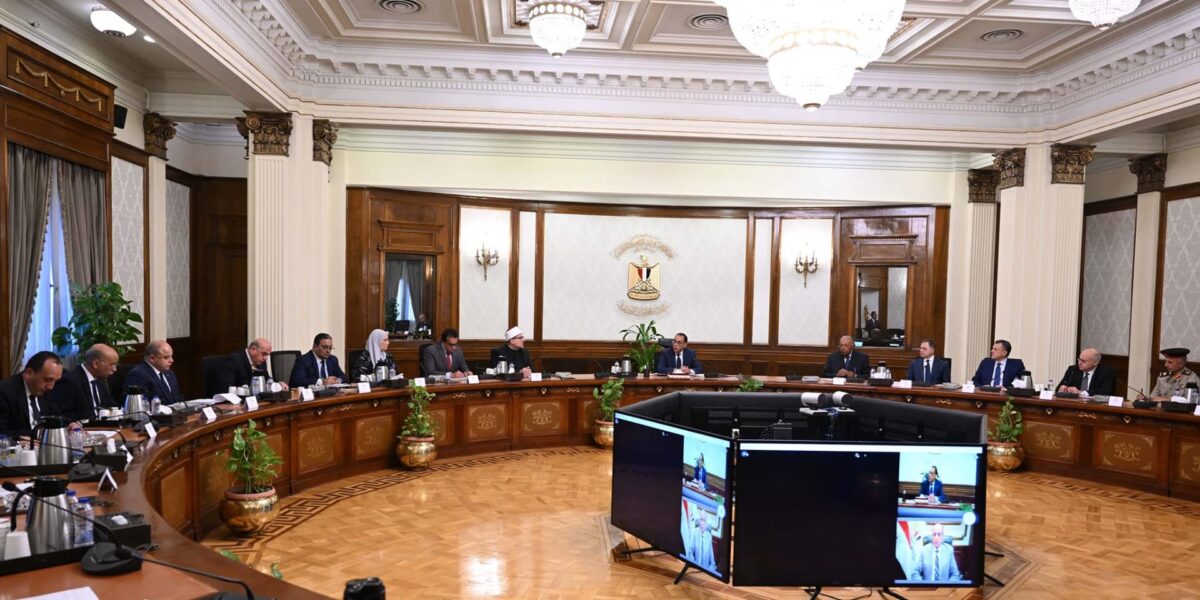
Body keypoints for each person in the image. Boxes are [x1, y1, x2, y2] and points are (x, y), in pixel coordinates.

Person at [0, 351, 65, 436]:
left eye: (55, 381)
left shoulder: (45, 391)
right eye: (47, 380)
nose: (51, 387)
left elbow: (56, 416)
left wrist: (69, 424)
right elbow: (2, 432)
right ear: (29, 373)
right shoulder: (5, 391)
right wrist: (36, 434)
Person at [49, 344, 119, 420]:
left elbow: (110, 404)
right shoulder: (70, 381)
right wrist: (94, 414)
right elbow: (59, 415)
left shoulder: (99, 379)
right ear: (96, 364)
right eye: (112, 365)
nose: (114, 369)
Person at [124, 339, 184, 405]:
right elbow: (141, 405)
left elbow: (178, 398)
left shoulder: (170, 373)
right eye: (166, 357)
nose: (171, 360)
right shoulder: (138, 375)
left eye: (171, 356)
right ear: (152, 358)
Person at [221, 338, 288, 391]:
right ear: (253, 349)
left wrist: (277, 384)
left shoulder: (261, 361)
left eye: (267, 355)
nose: (265, 358)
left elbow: (266, 379)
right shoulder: (233, 360)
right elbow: (228, 389)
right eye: (264, 354)